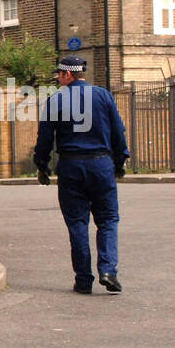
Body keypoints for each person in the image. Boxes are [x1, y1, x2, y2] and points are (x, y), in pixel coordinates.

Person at [32, 54, 129, 294]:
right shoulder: (103, 95)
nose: (58, 79)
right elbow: (118, 130)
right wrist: (121, 160)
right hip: (101, 164)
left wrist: (42, 165)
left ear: (67, 74)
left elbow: (44, 139)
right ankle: (108, 270)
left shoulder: (55, 101)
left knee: (77, 223)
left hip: (71, 166)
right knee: (107, 219)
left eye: (59, 75)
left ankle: (84, 279)